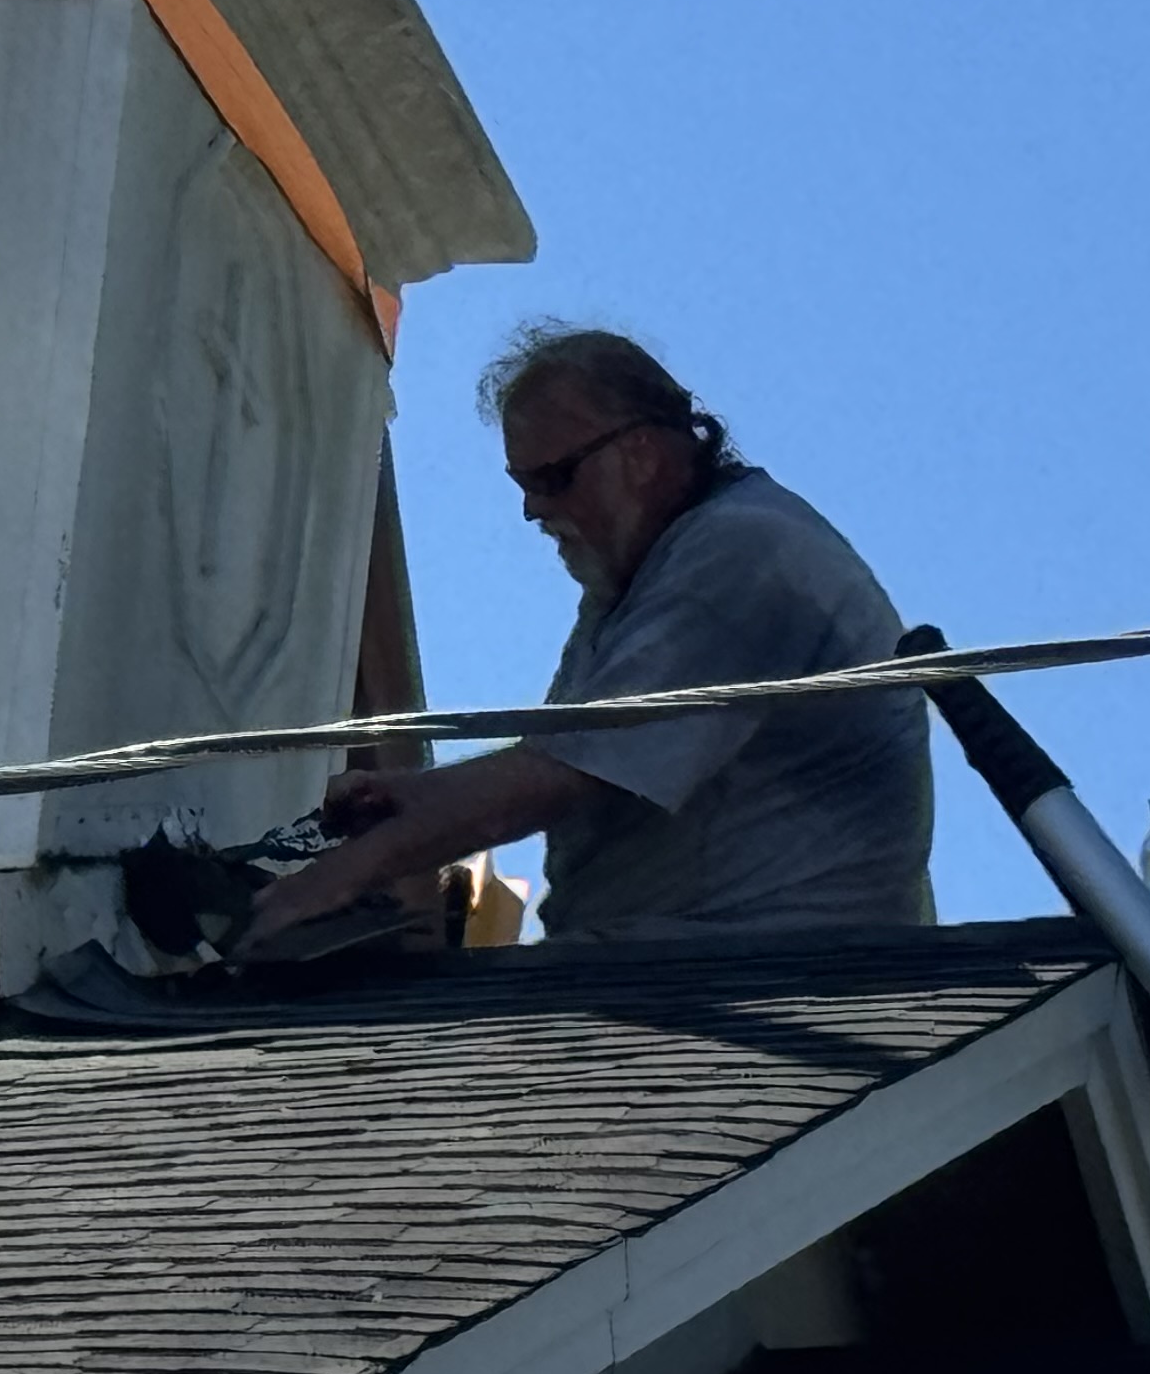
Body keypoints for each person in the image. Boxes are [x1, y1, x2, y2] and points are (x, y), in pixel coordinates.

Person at [240, 326, 934, 952]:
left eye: (554, 478)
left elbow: (559, 778)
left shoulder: (743, 554)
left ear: (642, 451)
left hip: (780, 977)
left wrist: (334, 878)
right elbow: (559, 757)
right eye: (522, 485)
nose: (534, 509)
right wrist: (410, 799)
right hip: (685, 970)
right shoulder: (637, 579)